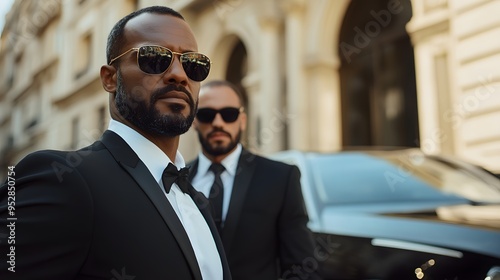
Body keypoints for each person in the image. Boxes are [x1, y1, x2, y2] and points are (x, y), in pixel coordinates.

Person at [0, 6, 231, 280]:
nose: (179, 75)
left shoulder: (198, 201)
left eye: (194, 64)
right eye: (155, 58)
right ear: (110, 78)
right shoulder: (62, 178)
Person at [188, 80, 321, 280]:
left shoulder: (280, 178)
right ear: (194, 121)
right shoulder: (176, 179)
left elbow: (301, 265)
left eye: (228, 114)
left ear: (242, 120)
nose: (218, 123)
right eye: (207, 115)